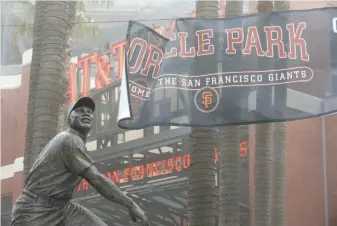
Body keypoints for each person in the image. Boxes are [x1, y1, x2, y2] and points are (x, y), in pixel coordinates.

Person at [11, 97, 149, 226]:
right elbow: (96, 179)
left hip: (62, 207)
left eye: (89, 112)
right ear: (69, 119)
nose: (86, 114)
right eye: (80, 111)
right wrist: (130, 204)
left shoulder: (75, 141)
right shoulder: (70, 140)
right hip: (34, 210)